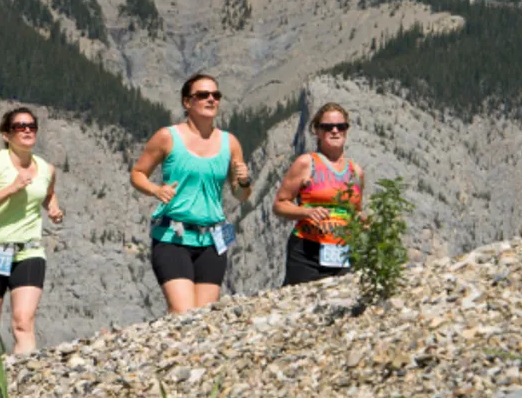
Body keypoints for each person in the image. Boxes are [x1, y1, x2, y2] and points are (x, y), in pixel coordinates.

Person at [130, 74, 252, 313]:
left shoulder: (230, 143)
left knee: (205, 319)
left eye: (215, 95)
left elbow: (241, 195)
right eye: (202, 95)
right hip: (172, 237)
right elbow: (137, 173)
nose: (211, 99)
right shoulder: (167, 137)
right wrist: (156, 189)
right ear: (187, 102)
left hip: (213, 239)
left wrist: (245, 181)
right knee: (183, 314)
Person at [0, 107, 63, 358]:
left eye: (32, 125)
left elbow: (47, 193)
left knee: (23, 323)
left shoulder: (46, 168)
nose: (27, 130)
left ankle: (24, 381)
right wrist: (10, 189)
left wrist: (53, 208)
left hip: (29, 252)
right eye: (20, 126)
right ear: (7, 135)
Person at [273, 103, 365, 286]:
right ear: (317, 131)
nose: (335, 131)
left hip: (343, 251)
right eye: (327, 127)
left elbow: (356, 211)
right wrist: (306, 212)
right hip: (307, 250)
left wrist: (367, 223)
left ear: (347, 130)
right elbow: (279, 204)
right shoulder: (306, 163)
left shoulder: (356, 171)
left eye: (341, 126)